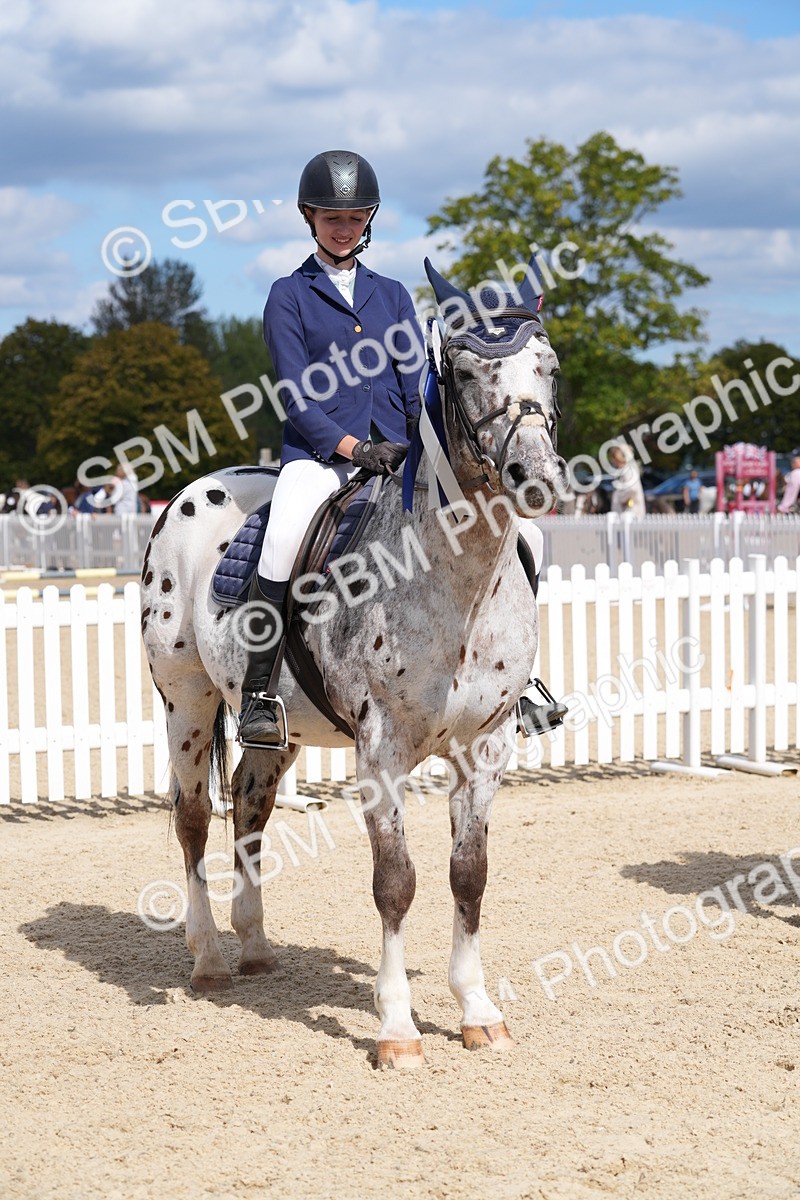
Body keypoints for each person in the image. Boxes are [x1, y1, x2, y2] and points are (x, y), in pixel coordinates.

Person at [238, 150, 422, 746]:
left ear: (368, 220)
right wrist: (348, 447)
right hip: (320, 459)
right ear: (310, 217)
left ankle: (513, 683)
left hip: (397, 455)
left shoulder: (393, 294)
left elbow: (413, 378)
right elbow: (294, 392)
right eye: (331, 217)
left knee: (509, 532)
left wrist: (418, 444)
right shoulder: (288, 294)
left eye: (354, 217)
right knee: (283, 539)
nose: (343, 228)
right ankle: (259, 695)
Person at [608, 444, 646, 518]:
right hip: (623, 515)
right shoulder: (624, 471)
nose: (614, 462)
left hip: (631, 513)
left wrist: (620, 498)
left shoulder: (629, 471)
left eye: (615, 458)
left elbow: (632, 489)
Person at [777, 449, 800, 514]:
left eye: (794, 461)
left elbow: (790, 495)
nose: (792, 463)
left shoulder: (796, 473)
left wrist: (783, 507)